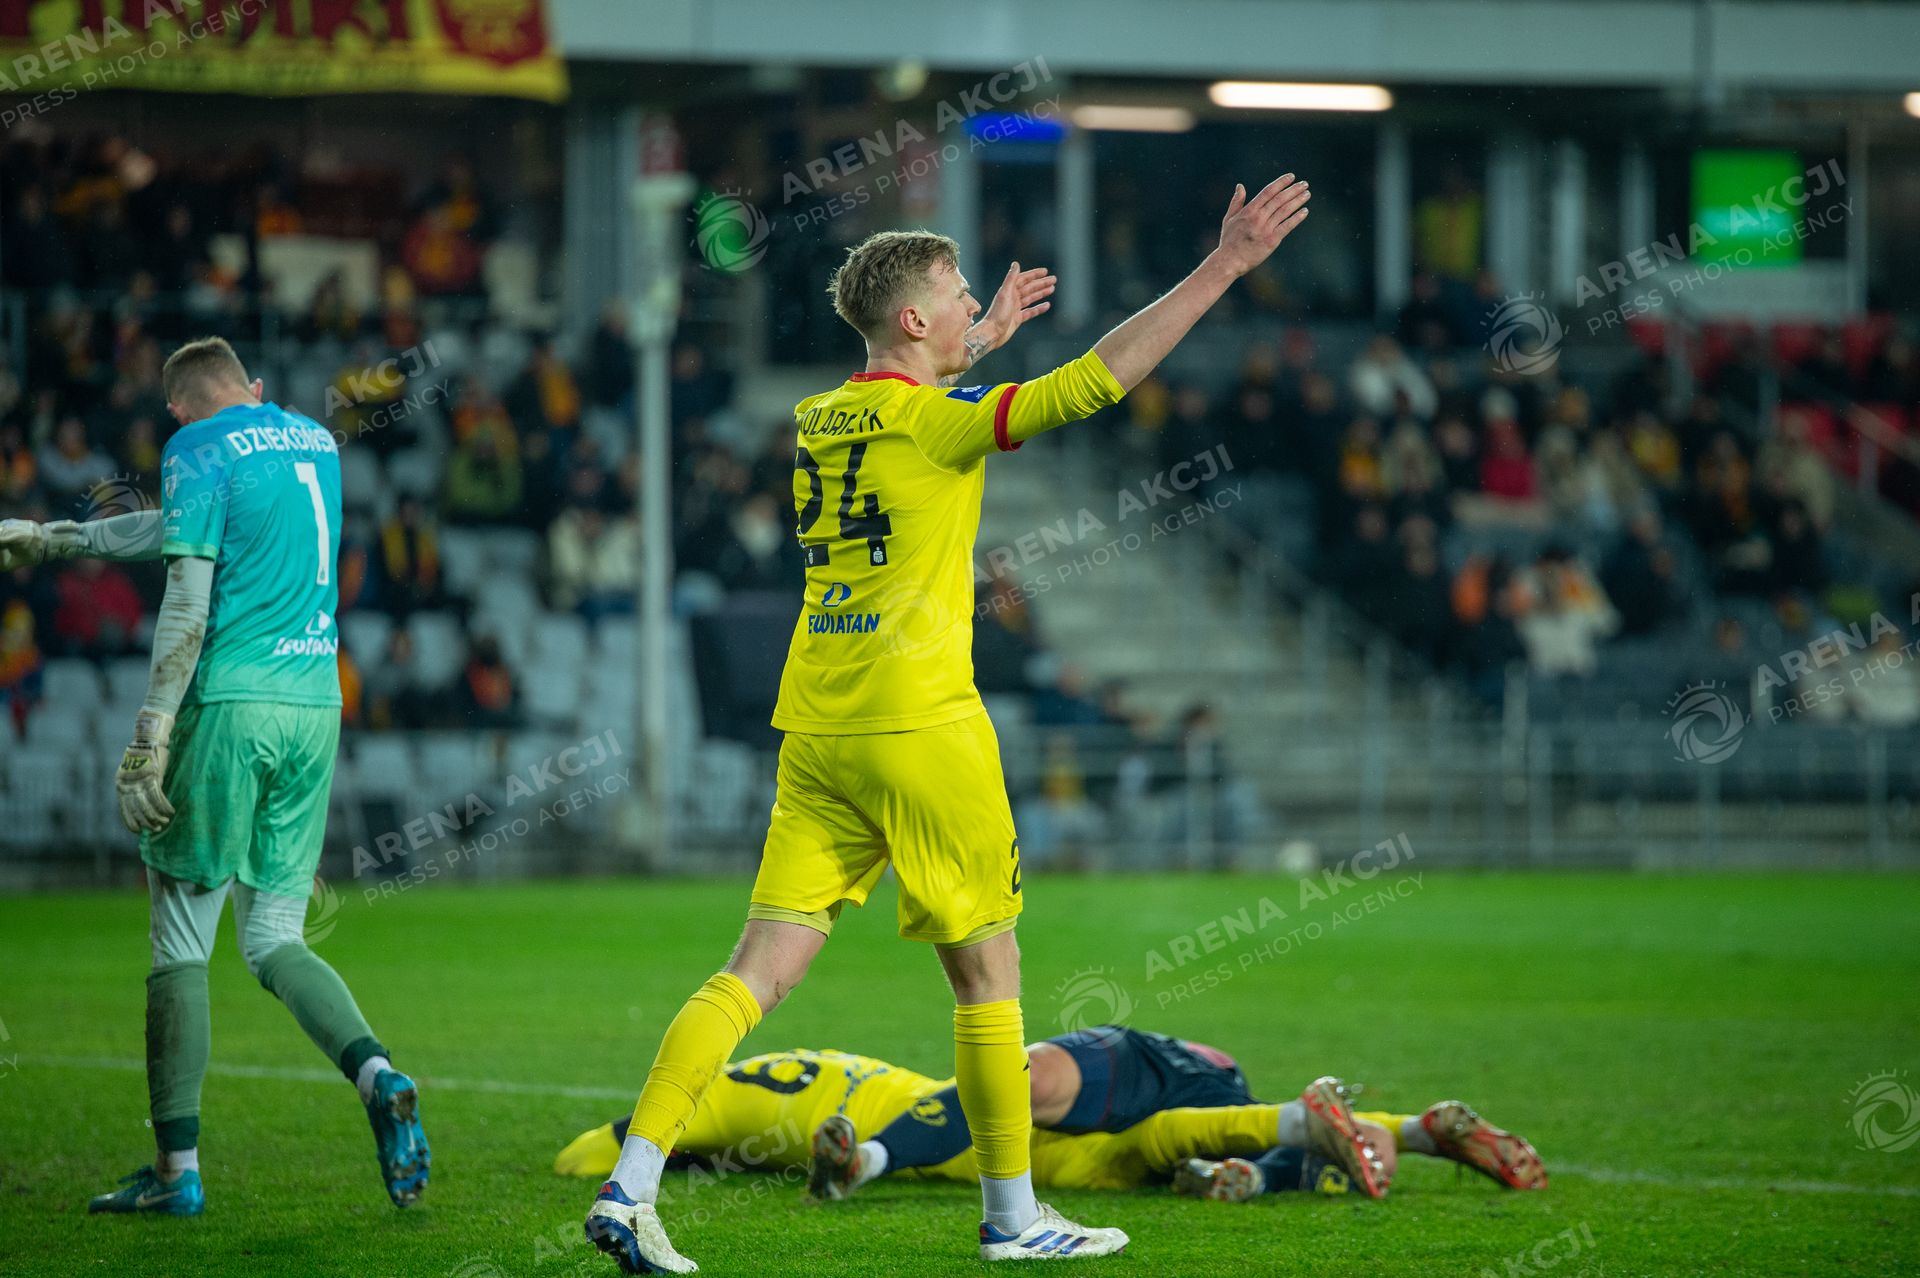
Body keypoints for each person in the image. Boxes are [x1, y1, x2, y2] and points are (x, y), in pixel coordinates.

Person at [585, 176, 1314, 1273]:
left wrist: (978, 345)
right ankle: (1014, 1219)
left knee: (755, 971)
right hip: (922, 726)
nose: (976, 298)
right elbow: (1097, 380)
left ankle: (633, 1187)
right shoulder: (936, 424)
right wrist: (1225, 267)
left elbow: (907, 405)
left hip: (819, 727)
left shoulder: (820, 418)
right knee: (988, 974)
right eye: (958, 288)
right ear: (914, 316)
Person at [0, 338, 429, 1216]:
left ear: (178, 410)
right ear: (253, 389)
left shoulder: (194, 445)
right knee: (274, 939)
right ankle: (378, 1075)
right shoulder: (312, 438)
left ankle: (176, 1174)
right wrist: (59, 539)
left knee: (180, 946)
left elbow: (188, 600)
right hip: (316, 706)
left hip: (232, 705)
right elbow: (180, 527)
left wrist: (149, 734)